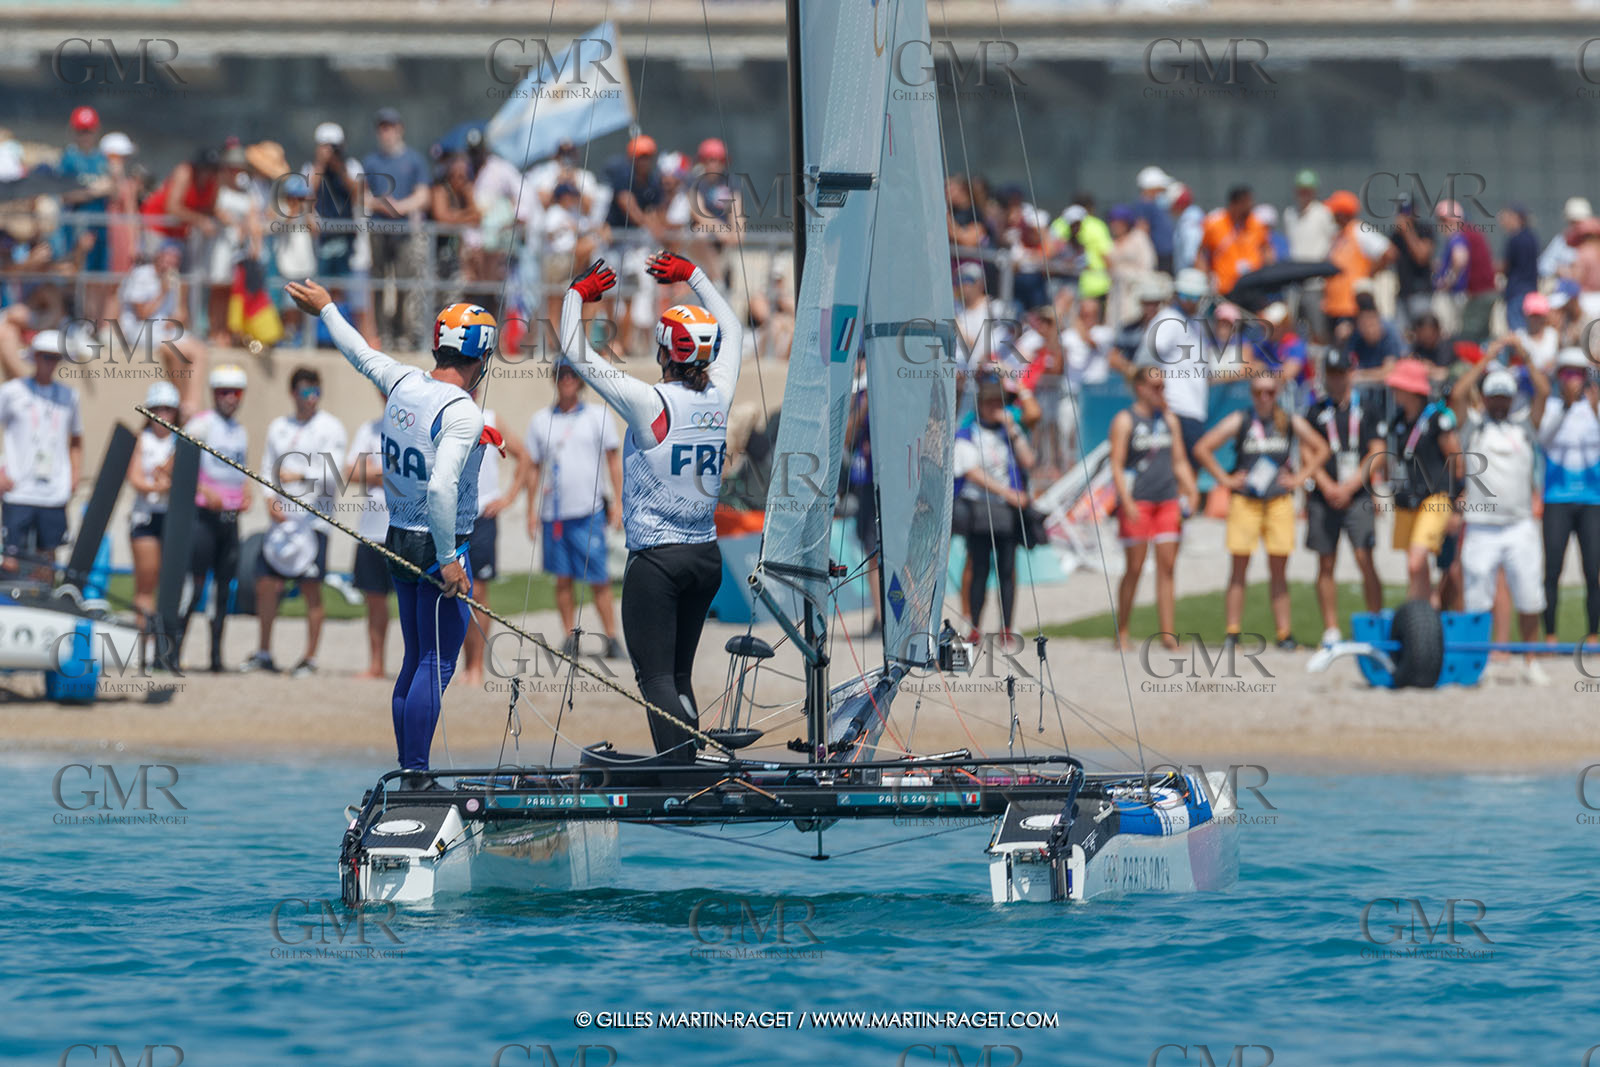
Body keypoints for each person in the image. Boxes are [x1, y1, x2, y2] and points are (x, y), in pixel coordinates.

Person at [285, 279, 497, 786]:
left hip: (397, 535)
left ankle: (409, 768)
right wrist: (449, 558)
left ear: (436, 345)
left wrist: (326, 308)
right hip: (436, 545)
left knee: (413, 658)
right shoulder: (464, 411)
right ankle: (418, 774)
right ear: (482, 360)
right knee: (436, 663)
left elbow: (358, 352)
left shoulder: (402, 382)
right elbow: (443, 488)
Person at [558, 251, 742, 763]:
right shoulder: (719, 393)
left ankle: (679, 773)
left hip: (658, 563)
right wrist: (695, 275)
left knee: (655, 678)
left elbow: (575, 351)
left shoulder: (649, 403)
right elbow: (735, 328)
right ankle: (689, 762)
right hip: (705, 559)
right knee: (679, 675)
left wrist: (577, 294)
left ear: (665, 351)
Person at [1195, 375, 1327, 650]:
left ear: (1276, 392)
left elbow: (1322, 449)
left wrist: (1300, 477)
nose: (1264, 397)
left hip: (1278, 502)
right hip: (1246, 501)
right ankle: (1232, 632)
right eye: (1258, 392)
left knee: (1279, 570)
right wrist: (1226, 479)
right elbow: (1203, 448)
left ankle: (1284, 633)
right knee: (1239, 568)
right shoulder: (1241, 419)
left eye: (1269, 392)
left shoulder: (1288, 421)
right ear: (1252, 394)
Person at [1450, 356, 1550, 683]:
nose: (1499, 402)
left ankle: (1531, 661)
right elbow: (1458, 394)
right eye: (1494, 396)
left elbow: (1544, 392)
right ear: (1487, 397)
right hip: (1480, 526)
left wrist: (1524, 353)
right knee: (1477, 598)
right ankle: (1480, 663)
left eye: (1505, 396)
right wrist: (1487, 357)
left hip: (1520, 525)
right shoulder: (1472, 428)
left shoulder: (1525, 428)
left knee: (1529, 595)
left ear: (1511, 398)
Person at [242, 367, 347, 677]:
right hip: (281, 521)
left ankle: (310, 657)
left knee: (311, 588)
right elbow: (265, 469)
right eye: (304, 392)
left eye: (316, 393)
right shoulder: (278, 427)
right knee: (266, 584)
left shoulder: (332, 427)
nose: (311, 399)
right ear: (293, 393)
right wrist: (268, 500)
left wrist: (301, 474)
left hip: (314, 523)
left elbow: (336, 473)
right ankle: (264, 651)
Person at [524, 361, 626, 659]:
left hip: (589, 510)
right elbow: (533, 468)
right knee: (563, 577)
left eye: (571, 375)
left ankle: (611, 636)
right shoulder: (541, 421)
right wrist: (531, 510)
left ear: (580, 380)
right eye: (561, 375)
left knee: (598, 578)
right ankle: (570, 636)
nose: (567, 380)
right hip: (554, 514)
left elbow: (613, 461)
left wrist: (618, 501)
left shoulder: (599, 416)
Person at [1108, 363, 1199, 650]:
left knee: (1167, 566)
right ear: (1141, 388)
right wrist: (1126, 500)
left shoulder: (1169, 420)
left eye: (1163, 386)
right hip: (1140, 501)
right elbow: (1117, 465)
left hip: (1167, 499)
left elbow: (1180, 460)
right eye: (1156, 386)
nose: (1162, 391)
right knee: (1134, 567)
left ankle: (1167, 634)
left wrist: (1192, 490)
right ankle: (1122, 630)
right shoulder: (1125, 420)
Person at [1305, 350, 1385, 645]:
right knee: (1326, 561)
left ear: (1350, 374)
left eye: (1341, 373)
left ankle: (1375, 621)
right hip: (1324, 495)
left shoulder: (1367, 408)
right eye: (1332, 374)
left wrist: (1351, 485)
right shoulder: (1314, 411)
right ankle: (1331, 628)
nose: (1336, 380)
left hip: (1358, 491)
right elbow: (1306, 451)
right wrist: (1326, 484)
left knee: (1365, 557)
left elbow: (1377, 451)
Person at [953, 376, 1036, 642]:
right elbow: (970, 471)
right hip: (979, 509)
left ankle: (1007, 627)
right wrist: (1008, 494)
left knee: (1008, 570)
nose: (995, 408)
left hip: (1008, 514)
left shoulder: (1008, 432)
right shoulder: (968, 432)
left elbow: (1029, 461)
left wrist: (1013, 430)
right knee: (978, 569)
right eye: (990, 403)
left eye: (999, 403)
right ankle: (974, 625)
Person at [460, 387, 531, 687]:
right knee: (452, 594)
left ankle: (475, 666)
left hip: (482, 518)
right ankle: (458, 664)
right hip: (451, 519)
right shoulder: (445, 415)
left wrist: (509, 497)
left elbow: (524, 456)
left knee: (478, 596)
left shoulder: (489, 418)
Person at [184, 365, 252, 672]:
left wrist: (246, 493)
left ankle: (215, 657)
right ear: (214, 394)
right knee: (193, 588)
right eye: (224, 392)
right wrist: (200, 489)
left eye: (235, 392)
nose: (230, 398)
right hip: (202, 519)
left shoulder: (240, 431)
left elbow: (241, 473)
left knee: (223, 590)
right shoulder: (201, 425)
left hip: (230, 520)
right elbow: (178, 466)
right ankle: (171, 653)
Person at [1379, 358, 1462, 604]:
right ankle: (1424, 612)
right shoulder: (1398, 421)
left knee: (1417, 561)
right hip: (1407, 499)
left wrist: (1459, 500)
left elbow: (1456, 459)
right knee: (1415, 566)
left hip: (1435, 497)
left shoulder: (1437, 419)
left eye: (1397, 387)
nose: (1393, 391)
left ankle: (1420, 608)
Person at [0, 330, 83, 572]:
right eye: (45, 356)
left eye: (54, 358)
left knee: (47, 560)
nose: (49, 363)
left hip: (54, 489)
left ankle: (42, 608)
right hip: (19, 488)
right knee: (11, 558)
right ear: (34, 357)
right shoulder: (12, 391)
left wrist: (75, 474)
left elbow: (77, 437)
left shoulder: (69, 395)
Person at [1537, 348, 1600, 646]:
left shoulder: (1595, 407)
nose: (1573, 380)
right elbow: (1544, 439)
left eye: (1579, 373)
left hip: (1592, 500)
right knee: (1552, 569)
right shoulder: (1551, 407)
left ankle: (1592, 634)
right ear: (1559, 376)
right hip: (1557, 499)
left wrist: (1595, 407)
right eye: (1567, 373)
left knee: (1593, 570)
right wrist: (1566, 406)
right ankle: (1550, 634)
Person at [361, 108, 431, 349]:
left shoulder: (414, 160)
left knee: (404, 281)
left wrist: (400, 207)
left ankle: (403, 332)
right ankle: (383, 333)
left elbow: (423, 195)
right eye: (382, 127)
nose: (386, 132)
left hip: (403, 231)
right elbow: (362, 195)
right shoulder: (371, 161)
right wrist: (382, 205)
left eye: (390, 127)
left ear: (399, 129)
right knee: (379, 281)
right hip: (378, 230)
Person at [1137, 267, 1215, 462]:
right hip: (1175, 409)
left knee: (1191, 469)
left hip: (1194, 410)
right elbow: (1144, 362)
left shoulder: (1197, 324)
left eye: (1195, 296)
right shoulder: (1168, 319)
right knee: (1178, 472)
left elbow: (1204, 374)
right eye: (1185, 295)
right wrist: (1162, 403)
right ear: (1176, 294)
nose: (1190, 300)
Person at [343, 392, 392, 679]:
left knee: (418, 600)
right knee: (374, 598)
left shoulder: (418, 429)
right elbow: (350, 471)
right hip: (372, 528)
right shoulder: (369, 429)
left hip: (407, 527)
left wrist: (374, 472)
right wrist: (388, 474)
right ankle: (376, 663)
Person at [127, 382, 180, 631]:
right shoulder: (141, 440)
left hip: (172, 516)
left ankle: (165, 642)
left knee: (170, 585)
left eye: (168, 409)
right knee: (146, 583)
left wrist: (163, 482)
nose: (163, 415)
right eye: (157, 409)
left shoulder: (180, 441)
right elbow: (137, 479)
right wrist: (160, 486)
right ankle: (144, 642)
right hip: (146, 517)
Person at [1196, 184, 1272, 295]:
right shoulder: (1215, 224)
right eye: (1246, 204)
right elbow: (1201, 252)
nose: (1250, 207)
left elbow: (1266, 249)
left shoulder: (1256, 224)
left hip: (1254, 287)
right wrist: (1204, 277)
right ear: (1235, 204)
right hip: (1225, 289)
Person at [1499, 205, 1540, 332]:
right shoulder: (1532, 238)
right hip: (1531, 290)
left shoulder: (1514, 239)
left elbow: (1505, 266)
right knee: (1530, 330)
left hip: (1516, 291)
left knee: (1518, 331)